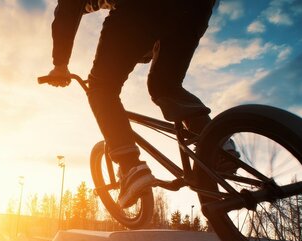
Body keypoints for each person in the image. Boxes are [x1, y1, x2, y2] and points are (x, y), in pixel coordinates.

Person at [44, 0, 217, 208]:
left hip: (142, 7)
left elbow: (68, 7)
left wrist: (60, 65)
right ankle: (216, 143)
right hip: (195, 9)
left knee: (101, 87)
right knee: (165, 86)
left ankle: (130, 167)